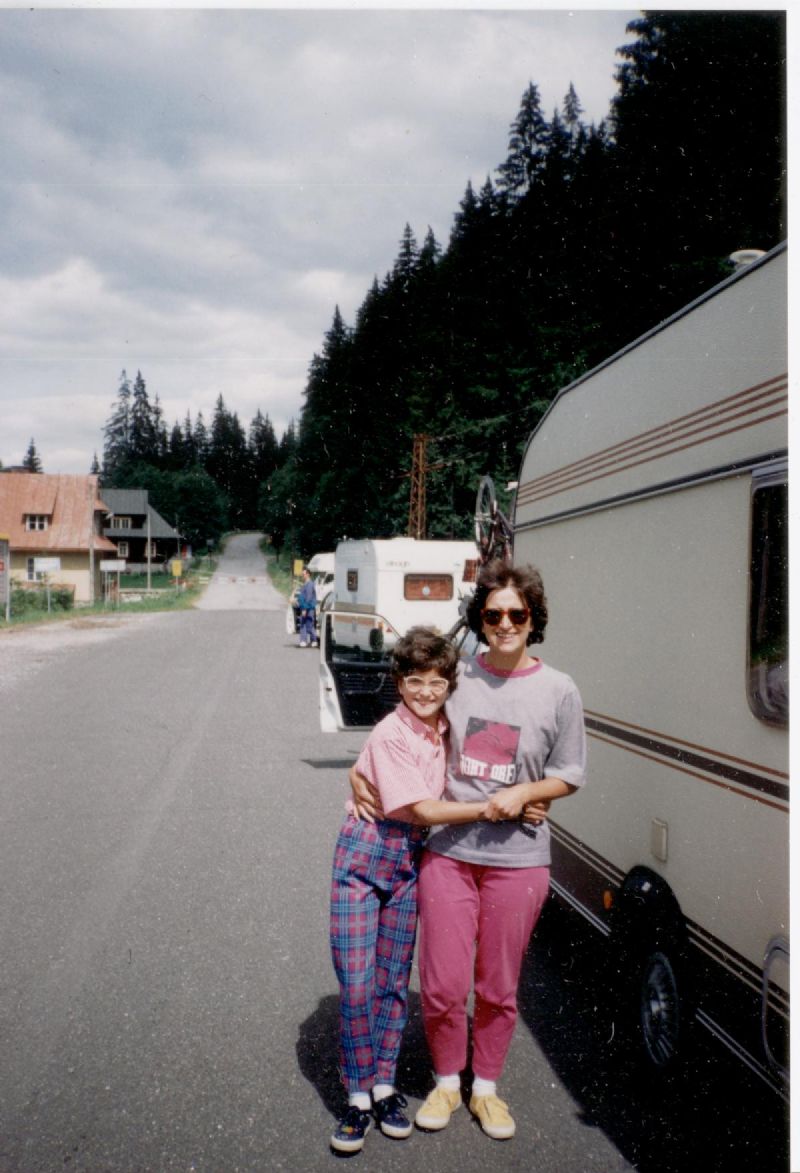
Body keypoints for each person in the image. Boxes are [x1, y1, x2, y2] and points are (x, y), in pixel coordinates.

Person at [349, 561, 586, 1142]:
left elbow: (569, 772)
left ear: (533, 619)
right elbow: (406, 726)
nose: (505, 623)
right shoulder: (458, 677)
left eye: (516, 614)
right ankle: (446, 1081)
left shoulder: (560, 689)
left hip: (519, 861)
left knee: (498, 987)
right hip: (450, 854)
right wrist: (357, 772)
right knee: (442, 983)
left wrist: (528, 793)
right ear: (480, 619)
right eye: (493, 614)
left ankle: (486, 1089)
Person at [329, 626, 491, 1155]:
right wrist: (491, 809)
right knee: (358, 983)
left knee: (393, 981)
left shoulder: (446, 729)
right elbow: (421, 808)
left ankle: (383, 1085)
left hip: (408, 859)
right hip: (364, 853)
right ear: (399, 683)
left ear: (449, 686)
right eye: (415, 681)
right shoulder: (389, 733)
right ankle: (356, 1096)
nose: (425, 691)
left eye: (437, 682)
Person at [297, 566, 317, 647]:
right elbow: (302, 595)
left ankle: (314, 640)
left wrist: (304, 609)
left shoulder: (310, 584)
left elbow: (308, 597)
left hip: (309, 608)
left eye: (304, 574)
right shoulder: (305, 584)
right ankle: (304, 640)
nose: (302, 576)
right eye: (302, 574)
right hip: (304, 607)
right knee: (303, 623)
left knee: (309, 624)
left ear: (308, 574)